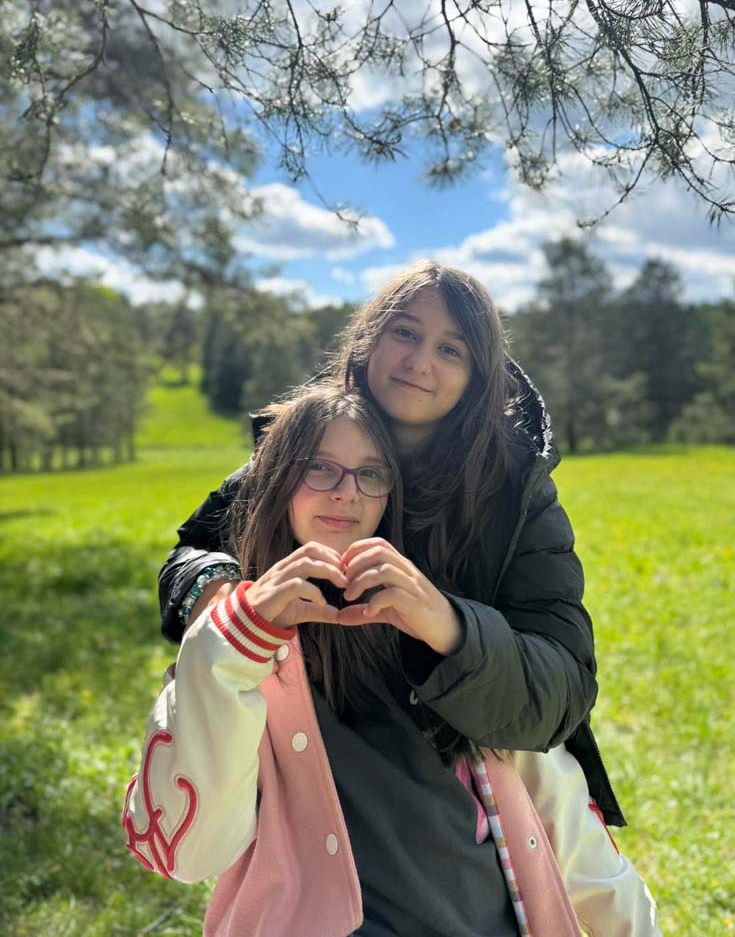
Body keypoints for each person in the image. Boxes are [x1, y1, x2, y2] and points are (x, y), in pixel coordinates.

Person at [149, 262, 660, 934]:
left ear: (478, 374)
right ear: (367, 341)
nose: (421, 361)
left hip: (478, 744)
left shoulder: (515, 488)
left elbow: (561, 686)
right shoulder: (313, 439)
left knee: (594, 886)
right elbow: (193, 550)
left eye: (452, 349)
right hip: (320, 738)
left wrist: (448, 624)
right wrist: (219, 594)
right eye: (405, 332)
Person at [122, 384, 582, 935]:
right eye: (320, 468)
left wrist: (448, 627)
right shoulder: (239, 636)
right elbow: (186, 854)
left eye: (371, 473)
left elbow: (548, 786)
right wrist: (236, 638)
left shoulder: (431, 609)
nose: (347, 492)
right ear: (273, 479)